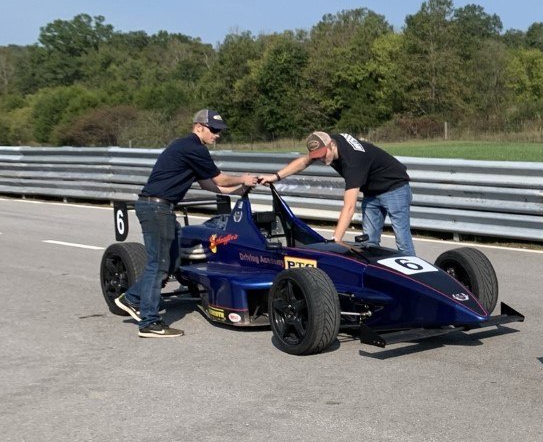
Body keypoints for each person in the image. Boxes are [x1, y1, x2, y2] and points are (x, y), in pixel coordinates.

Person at [113, 110, 261, 337]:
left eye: (219, 131)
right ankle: (149, 322)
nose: (217, 135)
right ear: (199, 126)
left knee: (172, 261)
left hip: (161, 208)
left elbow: (209, 185)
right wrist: (243, 178)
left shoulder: (188, 148)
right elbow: (220, 179)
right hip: (156, 208)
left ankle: (131, 298)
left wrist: (240, 189)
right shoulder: (193, 147)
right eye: (214, 130)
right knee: (159, 264)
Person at [260, 131, 414, 254]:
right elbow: (304, 161)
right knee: (369, 244)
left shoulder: (353, 162)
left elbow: (349, 207)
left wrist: (335, 240)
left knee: (403, 242)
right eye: (317, 156)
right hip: (371, 191)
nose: (321, 159)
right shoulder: (325, 142)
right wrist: (275, 177)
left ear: (332, 145)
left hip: (395, 187)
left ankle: (414, 284)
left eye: (323, 155)